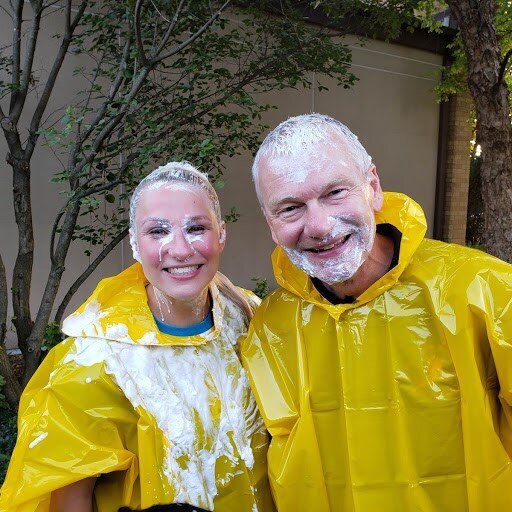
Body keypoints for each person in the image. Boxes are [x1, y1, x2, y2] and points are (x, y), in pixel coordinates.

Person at [241, 113, 512, 512]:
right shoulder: (270, 326)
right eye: (290, 208)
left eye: (335, 192)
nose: (319, 225)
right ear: (270, 222)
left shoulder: (484, 289)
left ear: (373, 187)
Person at [0, 162, 273, 512]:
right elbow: (69, 495)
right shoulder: (95, 359)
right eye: (157, 231)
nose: (180, 249)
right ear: (134, 242)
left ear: (221, 234)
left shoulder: (251, 320)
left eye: (196, 227)